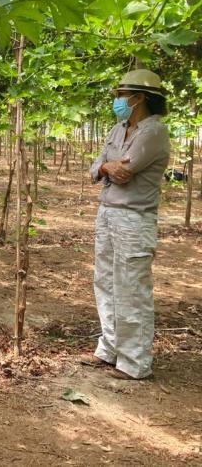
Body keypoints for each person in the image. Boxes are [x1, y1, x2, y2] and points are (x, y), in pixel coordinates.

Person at [87, 69, 170, 380]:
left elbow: (126, 170)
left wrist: (105, 167)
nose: (118, 100)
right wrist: (105, 166)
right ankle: (109, 348)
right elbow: (97, 167)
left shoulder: (153, 132)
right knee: (105, 282)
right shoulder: (118, 128)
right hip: (107, 212)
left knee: (131, 288)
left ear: (140, 98)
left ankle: (135, 362)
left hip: (134, 218)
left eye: (123, 95)